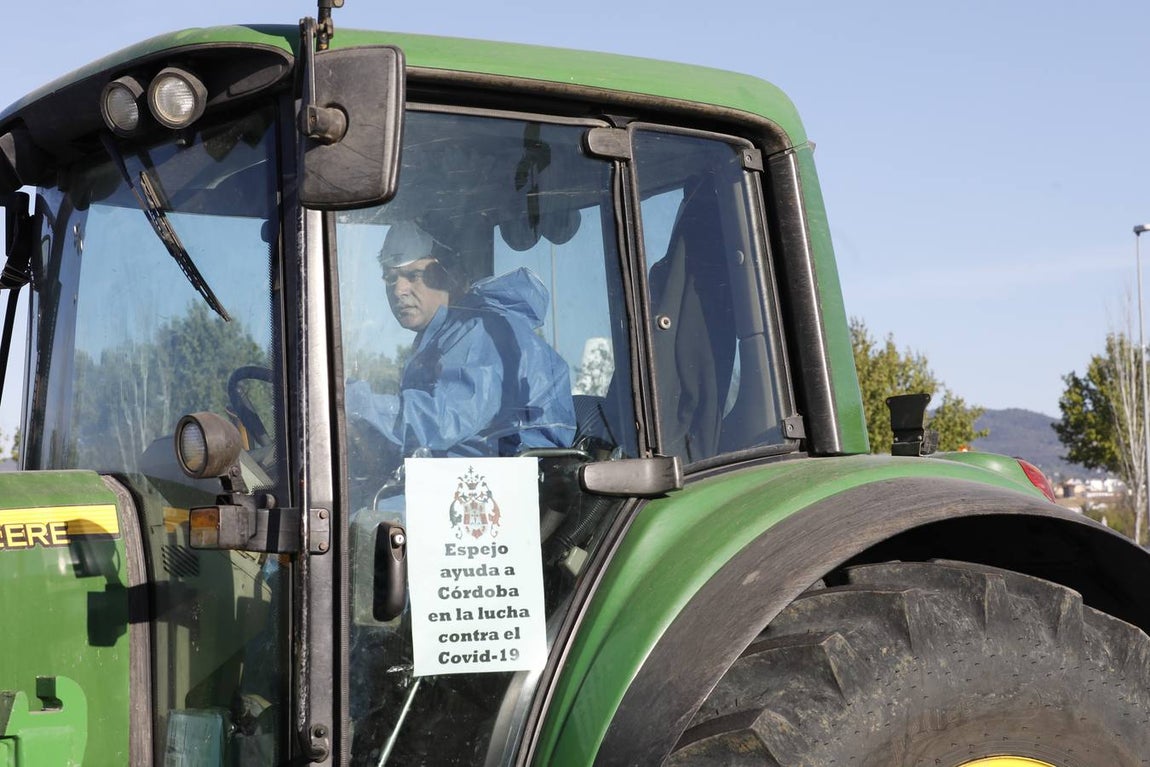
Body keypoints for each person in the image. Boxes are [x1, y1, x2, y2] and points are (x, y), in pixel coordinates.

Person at [346, 221, 576, 462]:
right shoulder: (443, 337)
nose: (398, 290)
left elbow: (441, 419)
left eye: (413, 275)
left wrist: (348, 402)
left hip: (506, 489)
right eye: (391, 279)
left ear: (450, 274)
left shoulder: (483, 332)